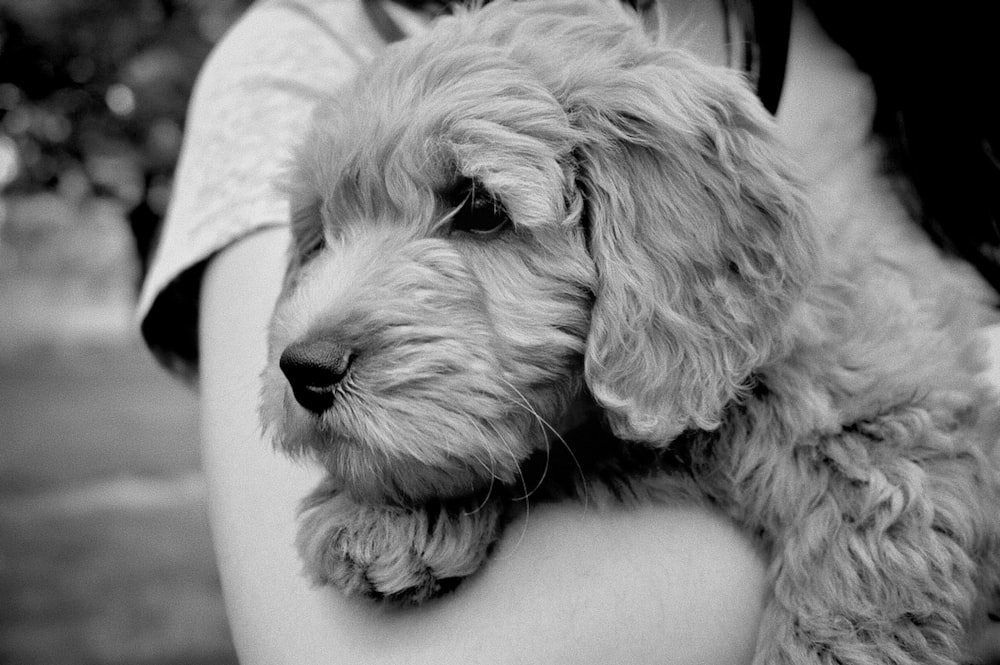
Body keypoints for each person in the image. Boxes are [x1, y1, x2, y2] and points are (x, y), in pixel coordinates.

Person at [137, 0, 1000, 662]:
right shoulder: (303, 48)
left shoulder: (878, 60)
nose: (315, 315)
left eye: (475, 208)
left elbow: (896, 489)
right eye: (328, 232)